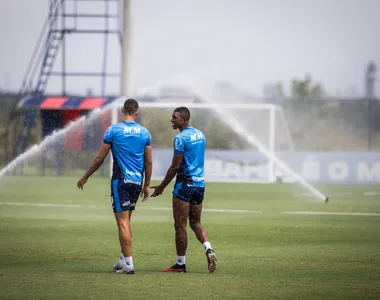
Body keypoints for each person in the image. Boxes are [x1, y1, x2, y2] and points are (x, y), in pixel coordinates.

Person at [77, 98, 152, 275]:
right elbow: (148, 161)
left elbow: (100, 158)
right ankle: (122, 259)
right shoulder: (145, 133)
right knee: (126, 222)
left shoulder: (113, 130)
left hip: (120, 181)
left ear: (121, 111)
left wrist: (85, 176)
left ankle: (129, 265)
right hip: (136, 182)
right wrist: (146, 185)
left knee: (122, 223)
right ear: (137, 112)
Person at [150, 106, 217, 273]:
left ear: (184, 120)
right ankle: (208, 248)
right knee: (196, 222)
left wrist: (162, 186)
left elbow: (175, 166)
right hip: (199, 185)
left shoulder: (180, 139)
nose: (171, 120)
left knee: (180, 226)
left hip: (185, 186)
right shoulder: (200, 135)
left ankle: (180, 264)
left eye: (175, 117)